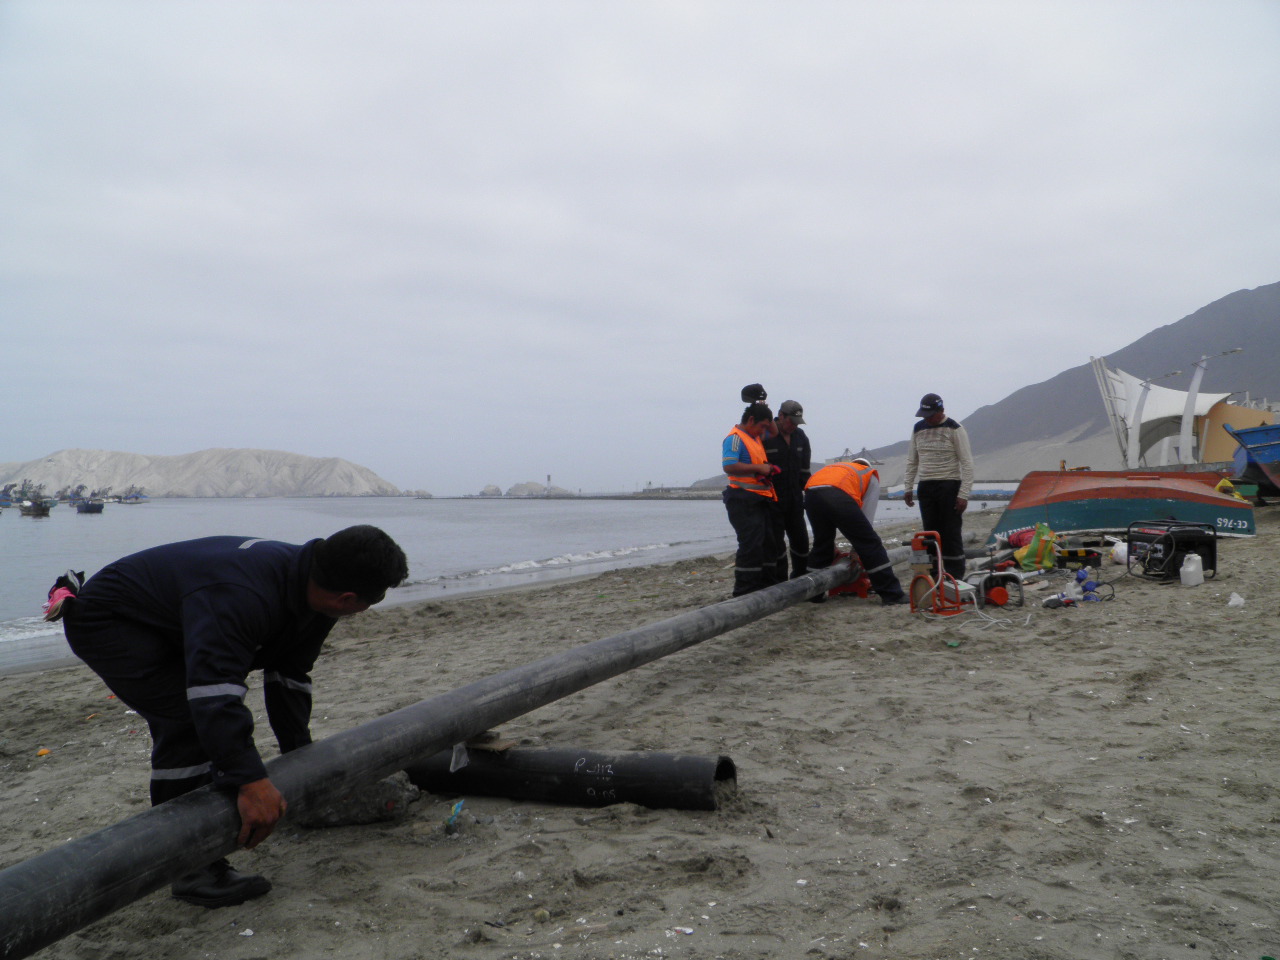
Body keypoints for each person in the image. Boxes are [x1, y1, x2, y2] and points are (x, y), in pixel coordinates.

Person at [47, 524, 409, 908]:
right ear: (348, 598)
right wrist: (251, 781)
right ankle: (191, 870)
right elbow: (213, 692)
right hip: (111, 619)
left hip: (177, 617)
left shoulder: (315, 587)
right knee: (185, 721)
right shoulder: (244, 594)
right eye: (369, 603)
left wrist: (300, 760)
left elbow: (290, 675)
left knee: (209, 721)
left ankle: (207, 836)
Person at [804, 459, 908, 605]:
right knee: (870, 543)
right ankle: (892, 595)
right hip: (836, 493)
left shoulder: (839, 468)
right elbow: (867, 517)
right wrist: (856, 550)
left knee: (822, 544)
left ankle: (813, 594)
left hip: (811, 494)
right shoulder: (869, 474)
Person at [903, 393, 974, 581]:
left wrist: (963, 494)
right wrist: (908, 487)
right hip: (926, 486)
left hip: (949, 484)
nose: (928, 419)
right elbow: (912, 460)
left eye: (931, 415)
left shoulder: (955, 429)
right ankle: (933, 575)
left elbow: (967, 463)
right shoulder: (918, 429)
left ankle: (954, 576)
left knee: (950, 532)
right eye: (925, 416)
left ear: (941, 410)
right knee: (929, 532)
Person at [722, 401, 781, 596]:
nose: (764, 430)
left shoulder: (755, 436)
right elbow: (729, 466)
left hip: (761, 499)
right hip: (742, 499)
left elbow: (774, 432)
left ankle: (766, 586)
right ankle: (744, 591)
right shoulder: (735, 439)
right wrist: (760, 468)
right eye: (762, 425)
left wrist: (764, 406)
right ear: (751, 420)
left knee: (768, 543)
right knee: (751, 544)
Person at [762, 399, 812, 581]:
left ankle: (801, 579)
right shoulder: (765, 435)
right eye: (791, 422)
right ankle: (779, 583)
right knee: (776, 546)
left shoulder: (801, 437)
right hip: (772, 501)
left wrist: (810, 494)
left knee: (801, 542)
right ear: (781, 416)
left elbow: (805, 471)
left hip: (795, 501)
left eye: (797, 423)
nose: (793, 426)